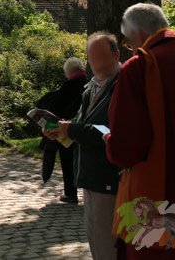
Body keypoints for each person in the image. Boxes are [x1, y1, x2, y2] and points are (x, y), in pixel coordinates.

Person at [105, 3, 175, 259]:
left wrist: (109, 141)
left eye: (128, 42)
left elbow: (125, 149)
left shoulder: (139, 67)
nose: (130, 47)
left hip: (159, 193)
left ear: (137, 33)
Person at [45, 33, 122, 260]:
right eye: (91, 56)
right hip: (88, 174)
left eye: (100, 55)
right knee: (96, 241)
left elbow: (109, 131)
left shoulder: (122, 85)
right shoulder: (91, 86)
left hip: (109, 176)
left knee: (109, 245)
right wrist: (59, 131)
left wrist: (72, 130)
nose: (95, 61)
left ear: (116, 55)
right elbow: (81, 122)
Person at [37, 56, 88, 204]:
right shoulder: (89, 84)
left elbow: (56, 106)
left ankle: (70, 194)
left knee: (67, 160)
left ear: (68, 71)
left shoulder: (68, 86)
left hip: (67, 129)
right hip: (85, 128)